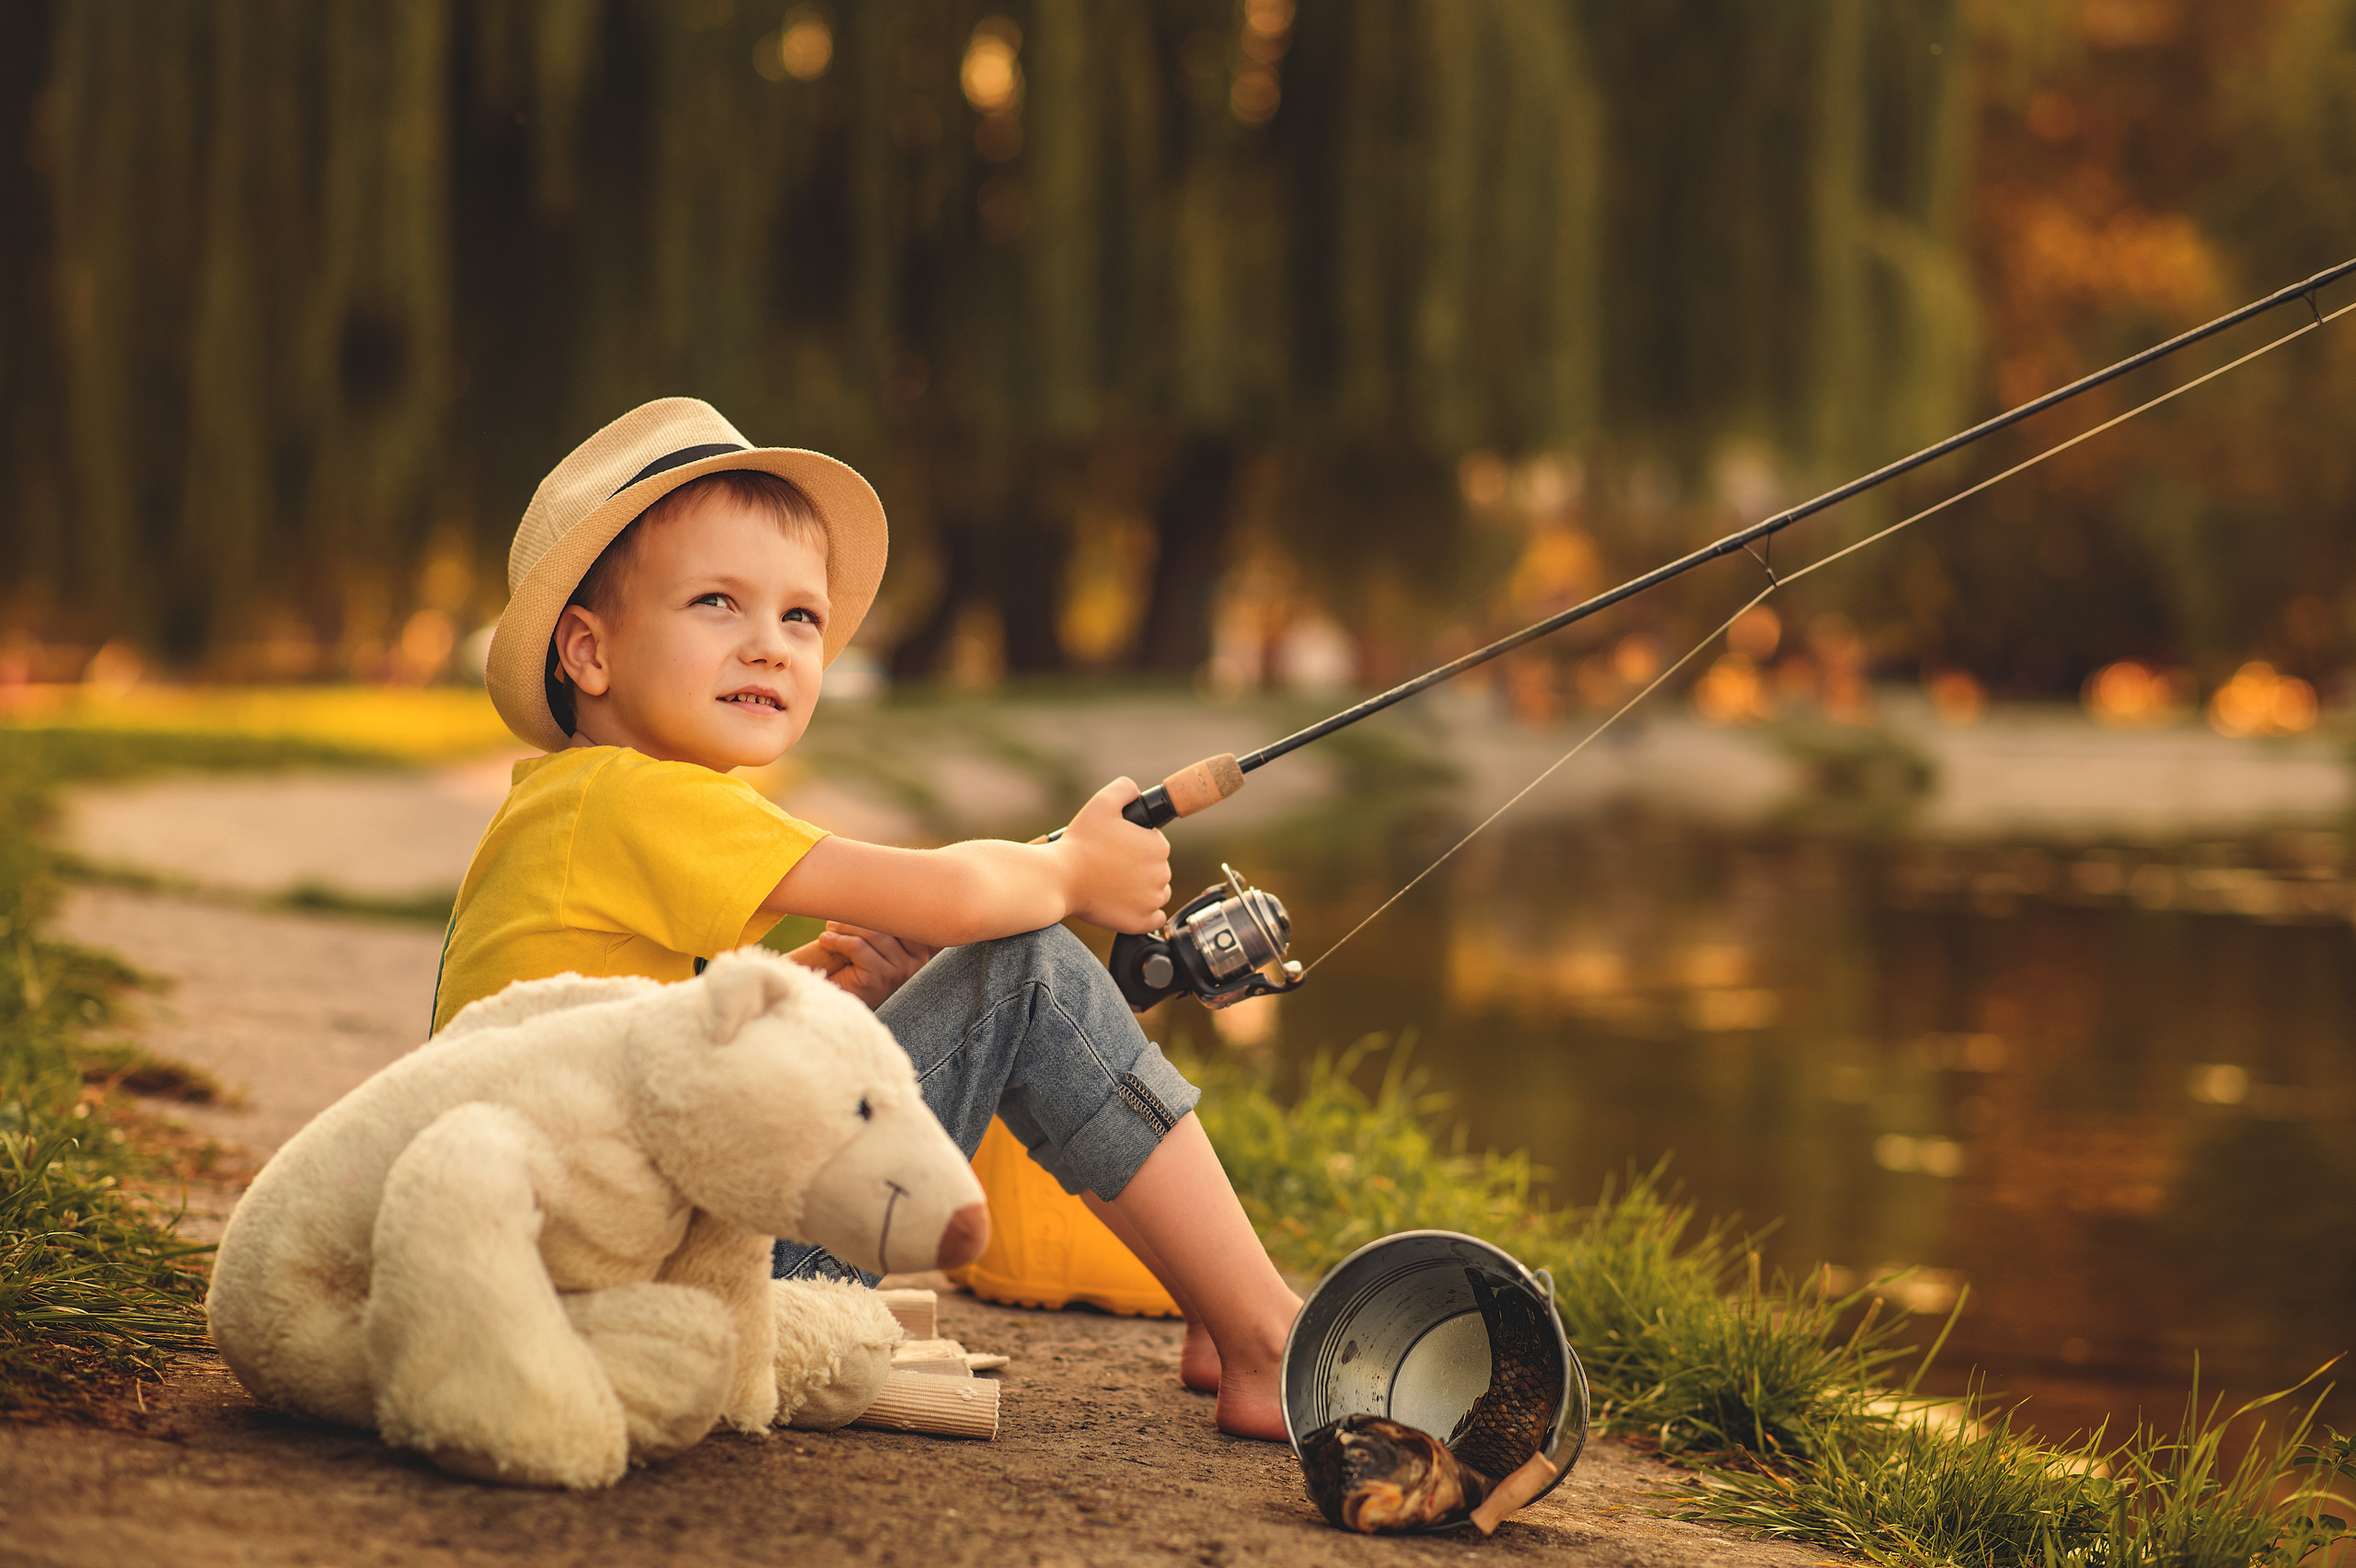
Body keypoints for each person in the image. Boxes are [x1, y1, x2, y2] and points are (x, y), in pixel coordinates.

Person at [436, 397, 1299, 1439]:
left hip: (593, 1259)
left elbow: (641, 1048)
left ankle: (1225, 1314)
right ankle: (1261, 1337)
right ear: (587, 651)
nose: (769, 647)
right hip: (659, 1280)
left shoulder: (575, 806)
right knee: (1025, 969)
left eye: (798, 617)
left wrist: (814, 998)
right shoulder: (633, 798)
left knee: (955, 973)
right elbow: (959, 897)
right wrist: (1074, 868)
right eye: (717, 603)